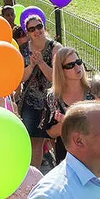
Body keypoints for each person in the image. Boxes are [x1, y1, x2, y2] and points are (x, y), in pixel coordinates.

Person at [41, 47, 93, 165]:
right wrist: (63, 126)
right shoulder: (53, 97)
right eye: (70, 65)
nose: (77, 67)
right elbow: (49, 132)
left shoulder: (93, 89)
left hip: (95, 153)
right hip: (68, 158)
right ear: (61, 70)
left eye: (78, 62)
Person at [19, 15, 59, 168]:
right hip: (31, 103)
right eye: (31, 29)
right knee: (34, 141)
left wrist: (41, 63)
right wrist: (31, 66)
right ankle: (34, 176)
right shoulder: (23, 50)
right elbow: (21, 78)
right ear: (27, 32)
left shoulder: (55, 48)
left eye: (39, 26)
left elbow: (55, 77)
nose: (36, 31)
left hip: (51, 102)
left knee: (56, 140)